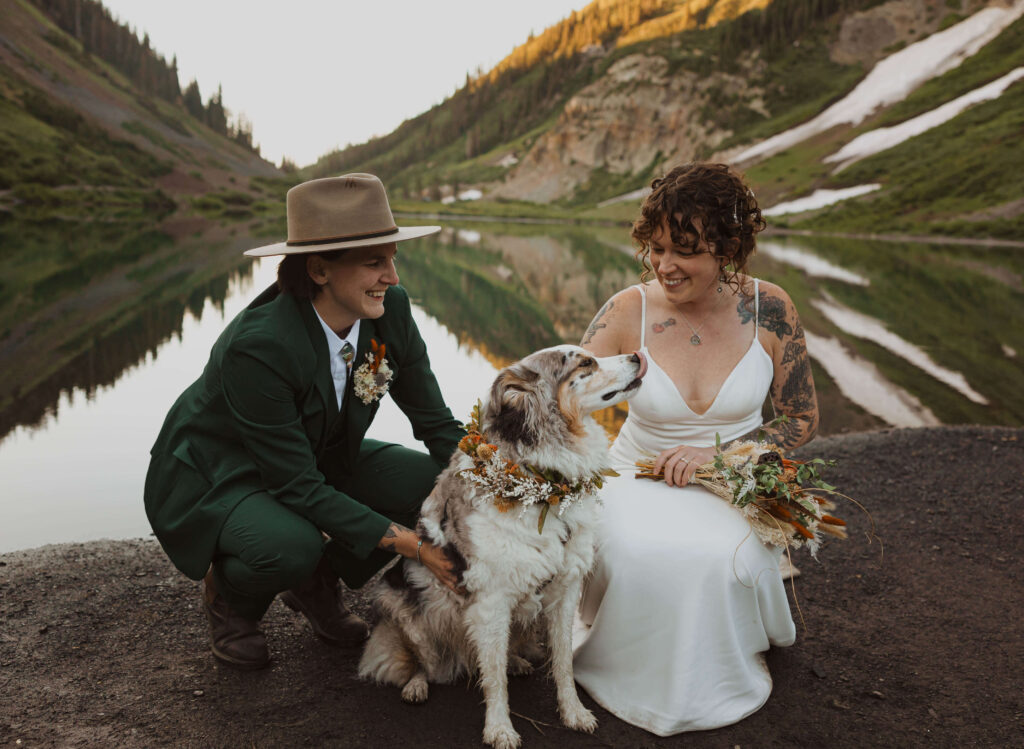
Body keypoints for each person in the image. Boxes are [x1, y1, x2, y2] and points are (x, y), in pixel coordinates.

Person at [144, 174, 465, 670]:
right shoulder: (261, 345)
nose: (393, 278)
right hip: (223, 470)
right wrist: (413, 546)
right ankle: (232, 599)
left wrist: (496, 482)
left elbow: (436, 423)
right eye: (374, 262)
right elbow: (295, 485)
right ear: (318, 270)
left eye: (392, 259)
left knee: (437, 487)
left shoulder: (389, 310)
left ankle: (315, 584)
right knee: (288, 545)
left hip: (313, 453)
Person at [572, 162, 819, 734]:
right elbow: (566, 393)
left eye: (684, 250)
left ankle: (723, 663)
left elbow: (802, 418)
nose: (664, 266)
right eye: (655, 248)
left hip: (732, 482)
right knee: (640, 554)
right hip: (633, 477)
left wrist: (728, 455)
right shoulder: (627, 310)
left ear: (727, 248)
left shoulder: (771, 308)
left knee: (716, 561)